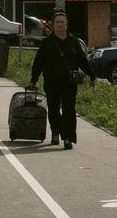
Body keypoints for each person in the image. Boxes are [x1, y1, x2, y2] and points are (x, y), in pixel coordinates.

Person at [28, 9, 95, 149]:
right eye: (57, 22)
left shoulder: (74, 42)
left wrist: (92, 75)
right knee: (53, 109)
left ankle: (68, 138)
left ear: (66, 24)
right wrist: (33, 80)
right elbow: (38, 63)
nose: (60, 25)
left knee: (69, 110)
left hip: (69, 83)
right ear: (53, 25)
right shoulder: (47, 43)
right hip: (51, 82)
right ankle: (55, 132)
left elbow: (83, 61)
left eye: (62, 22)